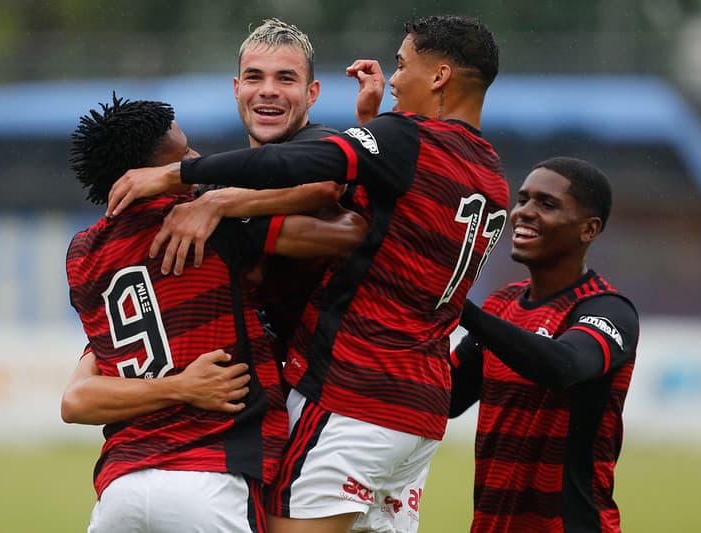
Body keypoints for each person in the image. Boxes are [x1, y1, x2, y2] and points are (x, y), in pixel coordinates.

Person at [104, 15, 509, 533]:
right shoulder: (490, 173)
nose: (395, 80)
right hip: (417, 409)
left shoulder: (402, 143)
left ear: (439, 77)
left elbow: (318, 179)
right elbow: (381, 210)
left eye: (403, 66)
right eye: (254, 77)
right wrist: (372, 126)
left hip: (352, 392)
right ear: (236, 87)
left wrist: (186, 179)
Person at [64, 94, 367, 533]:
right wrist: (227, 202)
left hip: (120, 488)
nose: (195, 160)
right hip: (210, 473)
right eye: (183, 154)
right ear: (148, 174)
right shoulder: (207, 224)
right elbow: (348, 234)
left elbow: (77, 397)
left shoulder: (81, 257)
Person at [63, 18, 372, 424]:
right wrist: (178, 387)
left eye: (286, 79)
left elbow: (329, 190)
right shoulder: (194, 202)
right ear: (236, 88)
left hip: (342, 390)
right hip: (270, 398)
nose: (268, 90)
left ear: (312, 93)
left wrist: (219, 203)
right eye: (254, 77)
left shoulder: (320, 145)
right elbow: (75, 398)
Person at [449, 157, 639, 533]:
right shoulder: (501, 304)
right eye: (523, 200)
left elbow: (561, 367)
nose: (523, 213)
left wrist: (458, 304)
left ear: (589, 229)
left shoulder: (607, 310)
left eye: (546, 205)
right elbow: (448, 395)